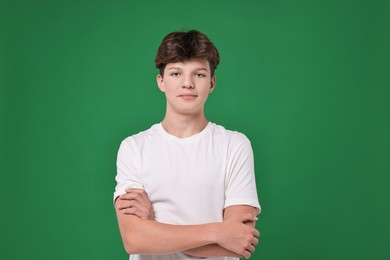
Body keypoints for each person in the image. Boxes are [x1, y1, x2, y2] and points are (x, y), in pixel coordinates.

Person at [113, 30, 261, 260]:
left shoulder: (234, 145)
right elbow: (134, 239)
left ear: (211, 83)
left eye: (199, 75)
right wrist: (216, 232)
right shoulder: (134, 147)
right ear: (161, 82)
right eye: (175, 73)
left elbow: (240, 242)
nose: (187, 83)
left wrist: (153, 225)